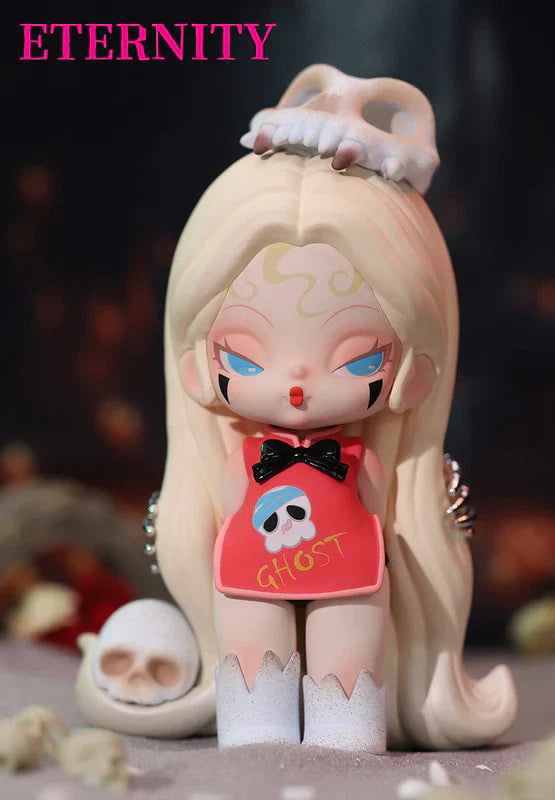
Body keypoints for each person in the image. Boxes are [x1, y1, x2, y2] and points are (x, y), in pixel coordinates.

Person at [76, 66, 517, 753]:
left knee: (349, 650)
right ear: (196, 363)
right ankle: (256, 729)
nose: (298, 381)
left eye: (358, 358)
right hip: (252, 573)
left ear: (414, 370)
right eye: (245, 357)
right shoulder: (246, 457)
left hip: (350, 572)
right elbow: (234, 504)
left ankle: (349, 732)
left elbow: (372, 504)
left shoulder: (361, 457)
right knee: (253, 647)